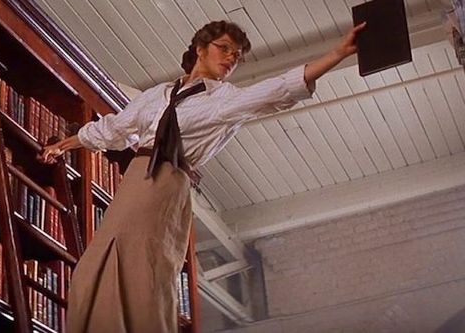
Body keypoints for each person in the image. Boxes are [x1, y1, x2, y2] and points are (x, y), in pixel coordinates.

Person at [39, 20, 366, 333]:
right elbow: (115, 129)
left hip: (168, 183)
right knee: (94, 267)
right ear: (200, 48)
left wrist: (336, 54)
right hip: (136, 178)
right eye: (224, 48)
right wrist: (64, 146)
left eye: (237, 56)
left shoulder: (226, 100)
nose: (230, 59)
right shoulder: (159, 93)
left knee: (144, 274)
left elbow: (277, 90)